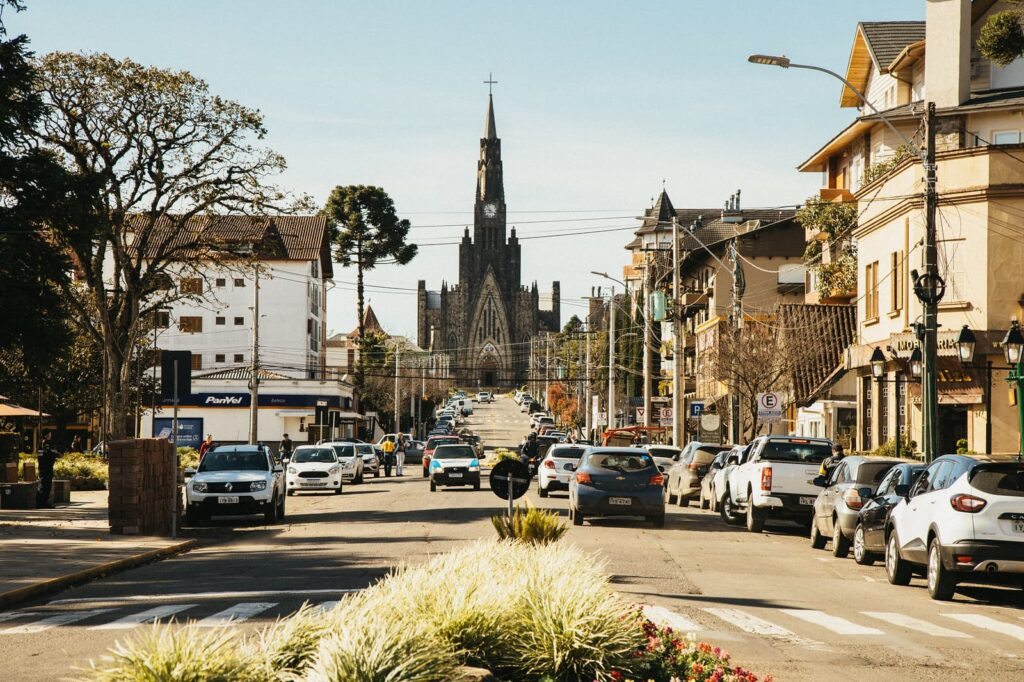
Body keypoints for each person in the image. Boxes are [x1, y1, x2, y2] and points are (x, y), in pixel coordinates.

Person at [36, 434, 60, 508]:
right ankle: (41, 502)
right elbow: (43, 455)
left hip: (48, 467)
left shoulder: (47, 444)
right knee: (44, 484)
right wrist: (54, 454)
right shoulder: (43, 444)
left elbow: (50, 453)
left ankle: (45, 502)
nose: (50, 436)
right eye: (49, 434)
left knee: (47, 485)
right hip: (45, 468)